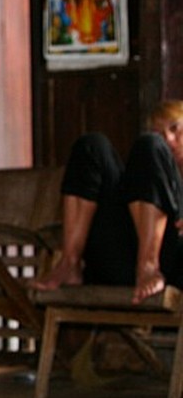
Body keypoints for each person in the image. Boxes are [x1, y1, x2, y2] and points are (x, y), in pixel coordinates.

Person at [32, 100, 183, 304]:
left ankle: (149, 267)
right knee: (92, 146)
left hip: (172, 268)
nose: (168, 139)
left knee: (151, 145)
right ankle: (69, 263)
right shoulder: (151, 162)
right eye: (160, 132)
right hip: (119, 261)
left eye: (174, 128)